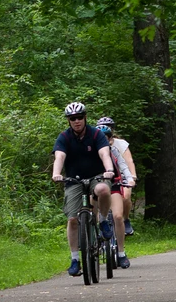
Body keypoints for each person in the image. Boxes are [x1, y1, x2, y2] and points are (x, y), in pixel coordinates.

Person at [52, 102, 117, 277]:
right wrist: (56, 173)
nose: (77, 121)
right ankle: (75, 260)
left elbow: (104, 153)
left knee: (103, 189)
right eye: (73, 118)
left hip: (97, 176)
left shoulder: (96, 134)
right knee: (73, 219)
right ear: (69, 121)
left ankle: (102, 220)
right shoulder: (64, 137)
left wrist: (109, 170)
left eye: (79, 117)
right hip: (74, 180)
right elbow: (60, 156)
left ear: (85, 117)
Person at [96, 123, 134, 268]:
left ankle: (121, 252)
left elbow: (123, 165)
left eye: (107, 138)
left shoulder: (114, 151)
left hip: (114, 186)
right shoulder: (90, 151)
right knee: (92, 212)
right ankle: (90, 238)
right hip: (96, 186)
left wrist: (129, 178)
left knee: (118, 216)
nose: (104, 141)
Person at [97, 117, 137, 237]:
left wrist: (132, 177)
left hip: (120, 176)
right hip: (101, 179)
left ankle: (126, 219)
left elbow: (128, 161)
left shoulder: (120, 145)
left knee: (126, 197)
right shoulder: (94, 145)